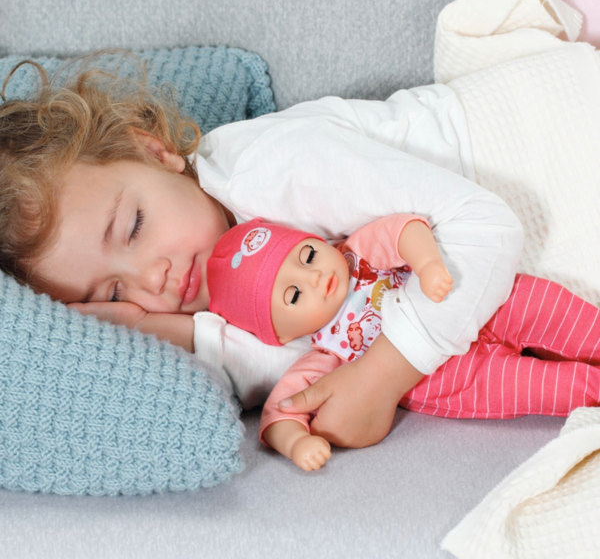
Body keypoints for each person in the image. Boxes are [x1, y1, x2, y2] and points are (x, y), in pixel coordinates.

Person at [0, 54, 523, 449]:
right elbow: (278, 358)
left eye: (134, 227)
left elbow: (486, 227)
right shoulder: (207, 295)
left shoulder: (269, 169)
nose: (151, 278)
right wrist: (139, 327)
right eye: (114, 291)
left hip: (517, 142)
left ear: (154, 152)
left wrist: (382, 376)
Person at [207, 218, 600, 471]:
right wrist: (296, 443)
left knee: (554, 310)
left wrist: (427, 263)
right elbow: (282, 410)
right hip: (459, 381)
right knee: (544, 388)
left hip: (480, 306)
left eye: (307, 255)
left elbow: (403, 230)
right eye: (293, 295)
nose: (312, 277)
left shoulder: (358, 254)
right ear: (282, 336)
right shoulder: (327, 353)